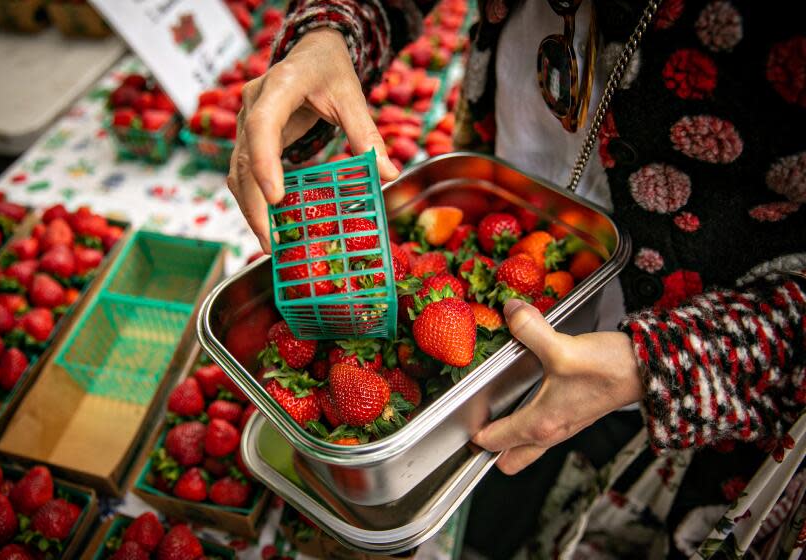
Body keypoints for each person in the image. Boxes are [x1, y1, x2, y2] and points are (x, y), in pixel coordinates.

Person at [226, 0, 806, 557]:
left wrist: (663, 366)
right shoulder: (452, 295)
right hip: (506, 235)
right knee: (492, 509)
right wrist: (328, 32)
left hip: (709, 362)